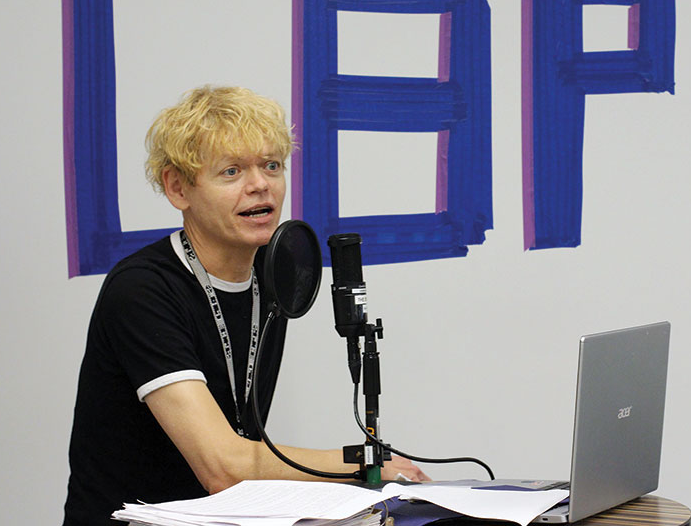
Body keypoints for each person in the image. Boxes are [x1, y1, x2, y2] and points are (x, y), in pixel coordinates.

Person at [63, 86, 428, 526]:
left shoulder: (276, 272)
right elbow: (222, 466)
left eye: (272, 166)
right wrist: (363, 463)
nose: (260, 185)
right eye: (232, 171)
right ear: (178, 188)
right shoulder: (142, 291)